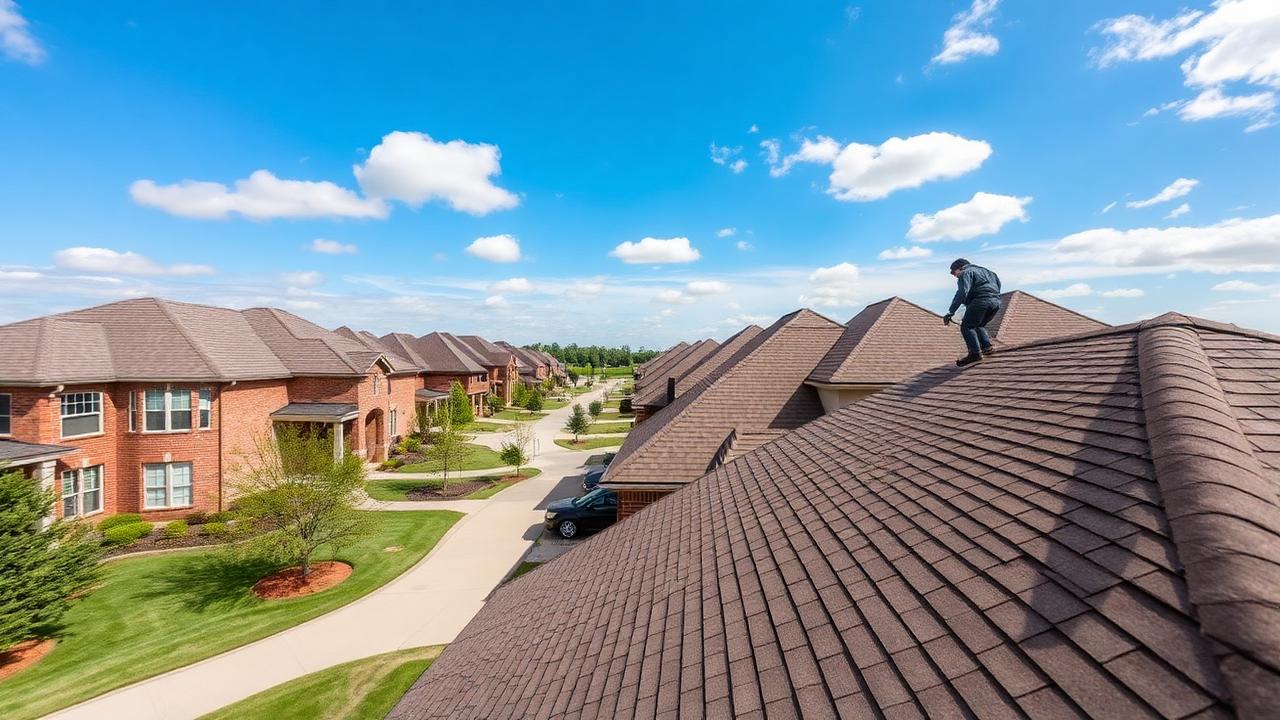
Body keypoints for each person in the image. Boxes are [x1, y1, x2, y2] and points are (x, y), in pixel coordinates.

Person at [943, 258, 1001, 367]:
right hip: (996, 302)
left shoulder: (965, 273)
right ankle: (987, 347)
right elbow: (998, 286)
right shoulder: (990, 273)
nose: (953, 275)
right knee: (979, 325)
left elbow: (962, 292)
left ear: (960, 268)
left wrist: (951, 311)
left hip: (981, 301)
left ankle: (975, 354)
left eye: (953, 272)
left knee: (967, 326)